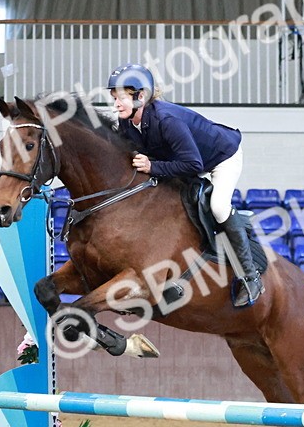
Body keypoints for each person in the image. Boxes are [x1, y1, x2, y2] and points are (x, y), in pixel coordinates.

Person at [107, 63, 264, 308]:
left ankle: (250, 276)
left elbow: (193, 164)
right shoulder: (127, 122)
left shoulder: (167, 120)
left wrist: (153, 166)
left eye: (121, 98)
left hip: (222, 157)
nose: (116, 104)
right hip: (185, 159)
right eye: (114, 98)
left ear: (141, 97)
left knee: (219, 207)